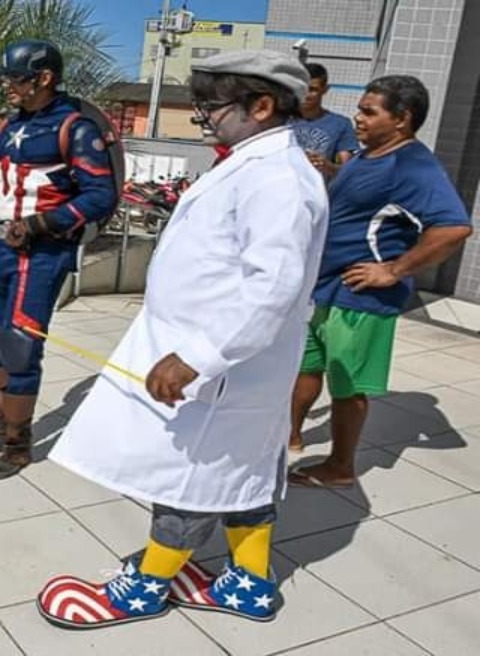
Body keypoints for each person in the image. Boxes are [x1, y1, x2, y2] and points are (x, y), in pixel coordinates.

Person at [38, 50, 327, 628]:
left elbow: (270, 287)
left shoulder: (277, 179)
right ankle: (249, 581)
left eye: (211, 107)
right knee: (242, 471)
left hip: (221, 365)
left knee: (190, 478)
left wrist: (198, 357)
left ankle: (145, 586)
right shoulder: (255, 163)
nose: (205, 118)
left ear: (262, 106)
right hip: (231, 364)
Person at [287, 75, 473, 485]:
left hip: (360, 296)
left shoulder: (413, 164)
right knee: (306, 367)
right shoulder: (365, 156)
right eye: (359, 109)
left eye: (369, 112)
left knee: (346, 387)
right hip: (325, 288)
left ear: (402, 119)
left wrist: (392, 270)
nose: (358, 118)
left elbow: (453, 228)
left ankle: (340, 467)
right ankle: (292, 435)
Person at [0, 39, 118, 480]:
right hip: (3, 249)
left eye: (15, 78)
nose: (7, 86)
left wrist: (38, 226)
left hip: (42, 253)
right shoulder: (9, 125)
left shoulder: (75, 128)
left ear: (44, 78)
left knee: (22, 344)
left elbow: (100, 196)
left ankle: (16, 444)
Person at [293, 62, 359, 179]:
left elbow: (347, 170)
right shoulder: (280, 120)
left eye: (313, 89)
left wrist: (328, 167)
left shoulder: (341, 124)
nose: (306, 95)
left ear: (325, 89)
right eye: (302, 88)